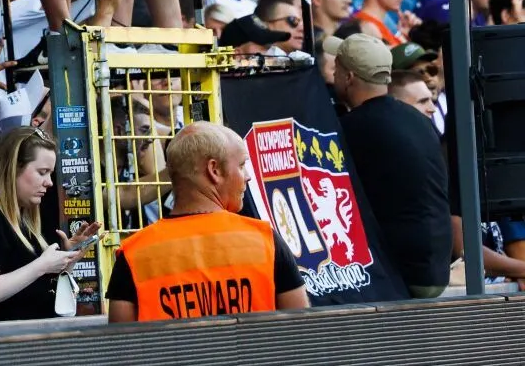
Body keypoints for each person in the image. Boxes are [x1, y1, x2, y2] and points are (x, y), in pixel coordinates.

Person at [105, 122, 307, 320]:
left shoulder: (133, 254)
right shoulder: (266, 243)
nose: (248, 177)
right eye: (242, 165)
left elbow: (121, 347)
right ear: (214, 170)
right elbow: (303, 332)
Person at [330, 34, 451, 297]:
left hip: (404, 272)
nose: (332, 75)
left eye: (336, 69)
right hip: (437, 266)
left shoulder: (355, 127)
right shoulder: (416, 118)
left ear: (348, 77)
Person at [0, 127, 97, 322]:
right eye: (42, 172)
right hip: (3, 343)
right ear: (13, 167)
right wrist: (42, 265)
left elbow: (32, 291)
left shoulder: (25, 221)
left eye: (50, 173)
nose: (49, 182)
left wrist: (67, 260)